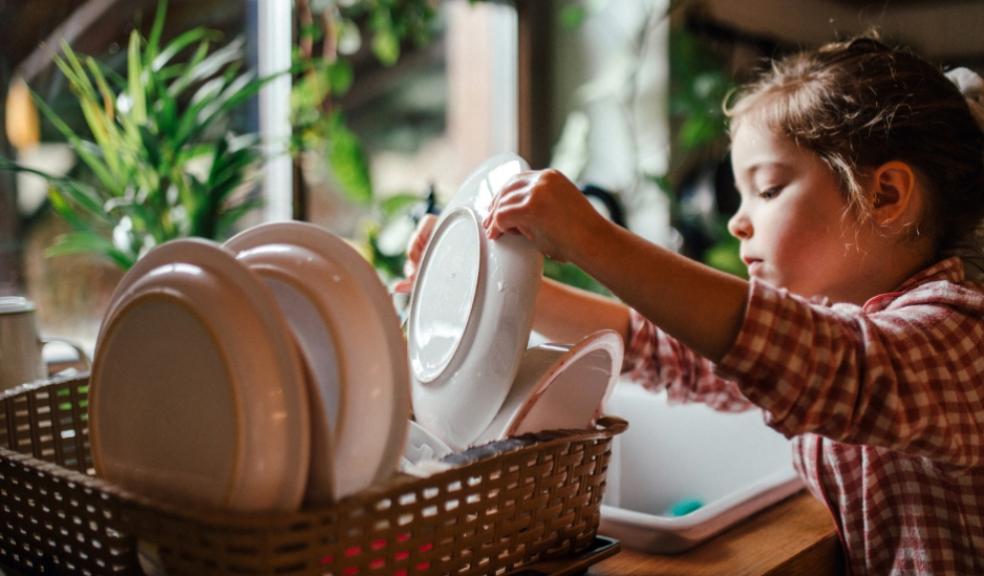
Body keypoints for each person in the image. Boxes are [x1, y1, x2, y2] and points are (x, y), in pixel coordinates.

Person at [397, 37, 984, 574]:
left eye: (770, 188)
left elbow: (830, 366)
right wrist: (515, 289)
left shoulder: (959, 340)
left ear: (885, 196)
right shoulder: (843, 329)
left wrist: (592, 239)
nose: (737, 221)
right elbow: (668, 351)